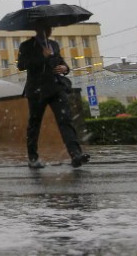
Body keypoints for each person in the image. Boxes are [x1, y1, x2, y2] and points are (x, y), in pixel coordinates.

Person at [17, 25, 90, 168]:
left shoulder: (54, 44)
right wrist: (41, 57)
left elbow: (59, 61)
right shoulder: (26, 46)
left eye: (50, 28)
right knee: (34, 124)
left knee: (66, 120)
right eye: (45, 28)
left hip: (56, 88)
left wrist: (65, 68)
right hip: (37, 91)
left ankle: (75, 155)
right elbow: (21, 65)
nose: (48, 30)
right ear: (37, 29)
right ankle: (33, 158)